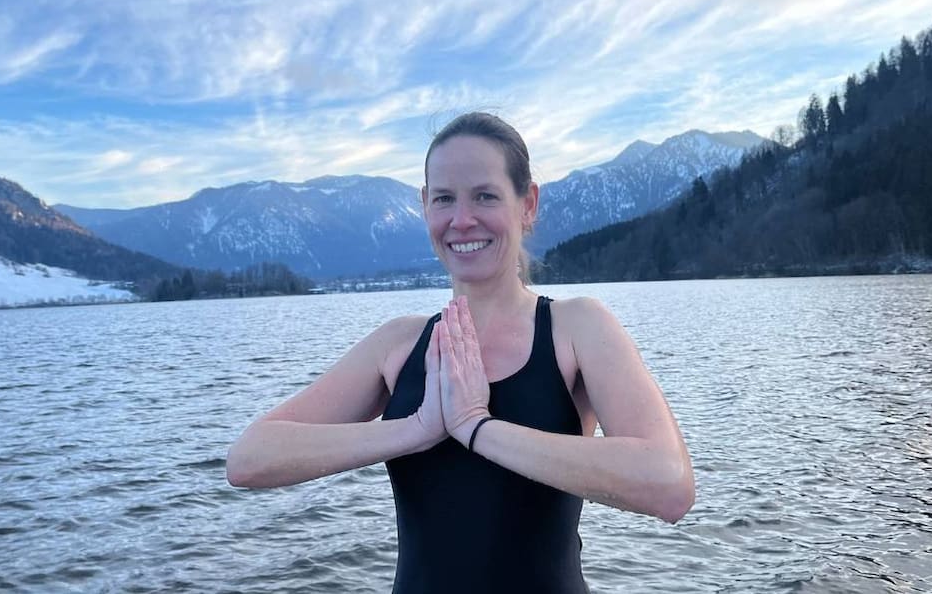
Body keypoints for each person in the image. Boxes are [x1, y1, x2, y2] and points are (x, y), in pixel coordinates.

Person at [226, 112, 695, 593]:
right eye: (444, 198)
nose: (462, 219)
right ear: (425, 205)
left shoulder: (575, 328)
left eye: (485, 196)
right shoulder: (398, 345)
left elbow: (667, 485)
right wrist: (414, 429)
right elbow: (249, 460)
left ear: (527, 204)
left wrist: (477, 427)